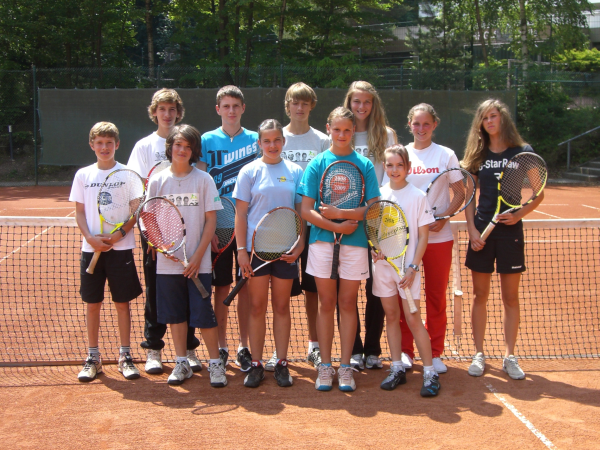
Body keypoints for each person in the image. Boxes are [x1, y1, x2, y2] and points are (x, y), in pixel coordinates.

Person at [298, 107, 380, 392]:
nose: (342, 135)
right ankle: (325, 366)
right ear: (328, 129)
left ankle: (345, 366)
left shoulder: (364, 165)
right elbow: (306, 210)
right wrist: (336, 226)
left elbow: (373, 208)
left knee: (347, 303)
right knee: (326, 303)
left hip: (355, 245)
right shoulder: (317, 163)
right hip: (322, 243)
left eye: (347, 130)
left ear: (353, 131)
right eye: (337, 129)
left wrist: (342, 216)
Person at [462, 99, 543, 380]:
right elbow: (469, 195)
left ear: (503, 118)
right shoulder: (478, 153)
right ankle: (479, 353)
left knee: (510, 297)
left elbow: (538, 192)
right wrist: (472, 230)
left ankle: (510, 356)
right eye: (485, 118)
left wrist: (519, 214)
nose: (489, 121)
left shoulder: (523, 152)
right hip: (482, 231)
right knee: (479, 295)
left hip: (510, 232)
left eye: (493, 116)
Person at [127, 88, 202, 375]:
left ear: (178, 112)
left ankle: (190, 349)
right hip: (155, 233)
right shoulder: (144, 147)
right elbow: (136, 193)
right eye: (162, 109)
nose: (167, 114)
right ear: (154, 112)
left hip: (188, 230)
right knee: (156, 292)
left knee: (189, 289)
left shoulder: (188, 139)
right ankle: (154, 349)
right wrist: (149, 233)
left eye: (172, 109)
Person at [146, 124, 227, 387]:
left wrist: (197, 257)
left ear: (194, 151)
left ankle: (215, 364)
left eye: (188, 147)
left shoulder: (204, 180)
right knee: (176, 316)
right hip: (167, 264)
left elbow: (211, 220)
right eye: (178, 145)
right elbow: (149, 218)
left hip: (198, 263)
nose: (182, 150)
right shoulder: (158, 180)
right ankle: (181, 362)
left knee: (204, 316)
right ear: (170, 147)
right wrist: (162, 247)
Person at [233, 119, 305, 387]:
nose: (272, 145)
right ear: (259, 143)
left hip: (286, 251)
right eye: (267, 141)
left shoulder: (295, 171)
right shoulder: (249, 171)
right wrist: (242, 250)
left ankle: (282, 363)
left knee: (282, 307)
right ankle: (256, 364)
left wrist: (300, 244)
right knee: (256, 307)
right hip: (256, 252)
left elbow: (301, 212)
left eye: (277, 140)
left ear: (283, 142)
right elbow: (241, 214)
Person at [389, 103, 460, 375]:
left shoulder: (446, 155)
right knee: (406, 296)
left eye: (426, 123)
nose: (421, 128)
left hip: (439, 238)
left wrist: (444, 217)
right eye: (416, 124)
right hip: (406, 242)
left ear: (434, 125)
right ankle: (406, 351)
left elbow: (460, 192)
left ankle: (435, 351)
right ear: (409, 125)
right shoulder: (402, 154)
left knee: (436, 296)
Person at [264, 82, 330, 372]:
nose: (300, 108)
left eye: (305, 103)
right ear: (288, 106)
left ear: (311, 106)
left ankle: (314, 346)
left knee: (313, 288)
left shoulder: (322, 141)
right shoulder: (278, 139)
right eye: (295, 102)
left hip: (315, 227)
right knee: (280, 293)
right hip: (282, 227)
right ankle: (280, 350)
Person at [71, 122, 143, 382]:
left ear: (117, 144)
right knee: (93, 304)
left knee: (122, 304)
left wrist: (119, 234)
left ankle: (125, 355)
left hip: (120, 250)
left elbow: (136, 211)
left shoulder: (128, 174)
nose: (104, 147)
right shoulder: (83, 175)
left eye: (109, 143)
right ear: (92, 145)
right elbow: (79, 212)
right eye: (99, 143)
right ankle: (93, 357)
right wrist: (90, 239)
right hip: (91, 250)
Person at [198, 85, 259, 373]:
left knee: (245, 286)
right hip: (219, 226)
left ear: (243, 108)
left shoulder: (257, 140)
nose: (231, 111)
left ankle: (243, 346)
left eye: (236, 105)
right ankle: (221, 346)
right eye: (226, 106)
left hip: (249, 225)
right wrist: (208, 228)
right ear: (218, 109)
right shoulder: (206, 140)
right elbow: (201, 184)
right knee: (221, 287)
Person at [372, 145, 441, 396]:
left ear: (408, 167)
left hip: (407, 270)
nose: (394, 170)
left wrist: (413, 267)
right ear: (384, 167)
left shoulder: (418, 196)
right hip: (383, 268)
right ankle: (397, 367)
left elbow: (423, 237)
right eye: (390, 165)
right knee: (391, 317)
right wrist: (376, 250)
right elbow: (375, 232)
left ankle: (430, 373)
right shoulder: (379, 195)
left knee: (413, 319)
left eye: (399, 165)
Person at [343, 80, 398, 371]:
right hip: (348, 223)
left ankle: (373, 349)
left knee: (377, 286)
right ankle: (353, 349)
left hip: (378, 223)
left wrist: (377, 213)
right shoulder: (343, 131)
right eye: (356, 101)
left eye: (367, 101)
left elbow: (391, 177)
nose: (361, 106)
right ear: (349, 103)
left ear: (373, 104)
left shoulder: (387, 135)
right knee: (348, 287)